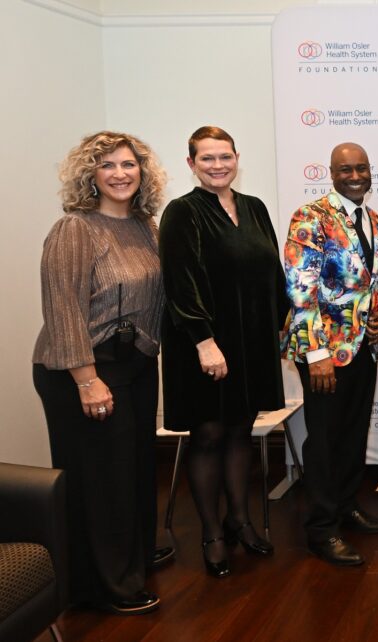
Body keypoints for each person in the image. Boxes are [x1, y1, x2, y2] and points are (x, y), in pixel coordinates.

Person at [33, 131, 168, 614]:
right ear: (90, 175)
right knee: (102, 480)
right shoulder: (75, 229)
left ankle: (133, 559)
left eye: (128, 164)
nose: (120, 174)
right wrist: (87, 380)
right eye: (107, 165)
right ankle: (106, 586)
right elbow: (63, 309)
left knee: (134, 470)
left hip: (134, 362)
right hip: (84, 366)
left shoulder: (145, 226)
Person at [159, 126, 287, 577]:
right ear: (191, 164)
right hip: (204, 346)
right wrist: (205, 342)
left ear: (236, 158)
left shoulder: (255, 208)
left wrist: (279, 325)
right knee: (209, 435)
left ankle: (240, 520)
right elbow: (180, 283)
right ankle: (212, 533)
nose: (218, 165)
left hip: (251, 344)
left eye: (225, 157)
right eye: (207, 158)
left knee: (240, 432)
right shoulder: (182, 212)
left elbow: (273, 273)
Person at [282, 142, 378, 566]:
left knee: (353, 433)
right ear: (331, 173)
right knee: (324, 441)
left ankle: (346, 506)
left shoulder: (374, 220)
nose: (355, 176)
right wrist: (316, 354)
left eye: (361, 168)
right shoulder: (311, 217)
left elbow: (373, 283)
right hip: (323, 352)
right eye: (346, 169)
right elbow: (300, 290)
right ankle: (321, 528)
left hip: (363, 347)